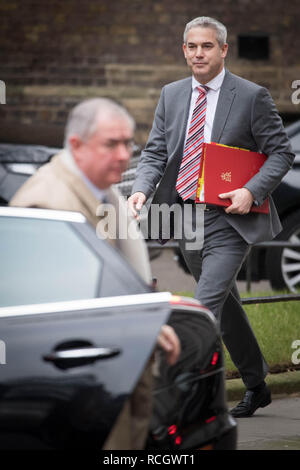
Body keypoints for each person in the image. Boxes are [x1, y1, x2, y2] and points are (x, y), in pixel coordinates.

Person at [128, 16, 295, 418]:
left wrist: (250, 190)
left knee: (201, 309)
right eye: (192, 46)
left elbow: (282, 153)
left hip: (230, 221)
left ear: (223, 50)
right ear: (184, 50)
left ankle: (178, 399)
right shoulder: (171, 94)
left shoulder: (252, 96)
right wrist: (140, 189)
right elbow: (154, 153)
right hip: (185, 218)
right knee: (228, 303)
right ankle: (256, 385)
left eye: (207, 46)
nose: (198, 53)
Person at [10, 97, 180, 449]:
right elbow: (50, 304)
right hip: (79, 383)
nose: (123, 155)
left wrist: (147, 321)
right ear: (76, 145)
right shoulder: (47, 203)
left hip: (109, 372)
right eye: (111, 144)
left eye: (128, 143)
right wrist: (135, 324)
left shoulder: (102, 190)